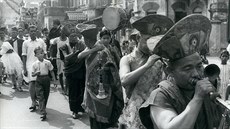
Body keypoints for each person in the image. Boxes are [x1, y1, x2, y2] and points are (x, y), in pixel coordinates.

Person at [139, 14, 222, 129]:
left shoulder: (202, 90)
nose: (196, 74)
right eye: (187, 68)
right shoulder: (161, 95)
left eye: (199, 66)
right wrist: (197, 98)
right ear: (169, 71)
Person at [118, 14, 174, 129]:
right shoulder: (127, 59)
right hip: (134, 112)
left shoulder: (159, 59)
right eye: (148, 40)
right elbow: (124, 80)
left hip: (157, 110)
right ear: (138, 38)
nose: (153, 44)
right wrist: (148, 65)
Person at [78, 25, 124, 129]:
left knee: (103, 123)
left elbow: (113, 72)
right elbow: (79, 56)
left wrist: (118, 93)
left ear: (88, 40)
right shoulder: (91, 48)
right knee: (94, 121)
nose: (84, 42)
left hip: (104, 93)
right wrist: (93, 50)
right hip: (90, 91)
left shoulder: (103, 51)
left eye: (85, 40)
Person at [60, 29, 86, 119]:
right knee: (73, 92)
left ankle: (81, 108)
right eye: (71, 36)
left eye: (75, 36)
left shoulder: (82, 45)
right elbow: (66, 58)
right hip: (71, 72)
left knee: (81, 90)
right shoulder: (65, 46)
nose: (74, 37)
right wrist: (75, 53)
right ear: (68, 37)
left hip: (81, 71)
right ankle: (74, 111)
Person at [22, 25, 47, 112]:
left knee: (39, 83)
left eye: (34, 31)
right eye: (31, 31)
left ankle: (40, 102)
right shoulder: (25, 43)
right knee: (32, 83)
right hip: (29, 65)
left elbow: (45, 54)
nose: (33, 32)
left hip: (40, 64)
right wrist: (24, 68)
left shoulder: (41, 42)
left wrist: (46, 64)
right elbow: (24, 56)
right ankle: (33, 102)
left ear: (37, 31)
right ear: (28, 32)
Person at [32, 47, 56, 121]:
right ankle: (43, 112)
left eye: (41, 53)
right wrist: (36, 73)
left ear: (44, 53)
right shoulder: (34, 64)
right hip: (39, 79)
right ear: (35, 55)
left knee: (46, 95)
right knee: (40, 96)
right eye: (38, 54)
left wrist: (54, 80)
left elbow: (51, 71)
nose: (40, 55)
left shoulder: (47, 62)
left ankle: (43, 108)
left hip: (46, 79)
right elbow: (32, 74)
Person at [0, 27, 24, 92]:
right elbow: (4, 50)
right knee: (12, 72)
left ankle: (20, 85)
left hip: (19, 57)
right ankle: (14, 84)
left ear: (17, 33)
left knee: (20, 72)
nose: (14, 33)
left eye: (15, 32)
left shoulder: (21, 41)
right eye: (12, 32)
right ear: (10, 33)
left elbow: (23, 50)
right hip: (11, 59)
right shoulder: (7, 42)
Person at [50, 26, 69, 94]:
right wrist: (51, 55)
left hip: (67, 59)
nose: (62, 33)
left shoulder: (68, 40)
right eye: (61, 31)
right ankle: (63, 89)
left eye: (64, 32)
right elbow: (51, 46)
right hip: (59, 58)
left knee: (67, 74)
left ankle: (67, 89)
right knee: (60, 74)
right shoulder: (57, 39)